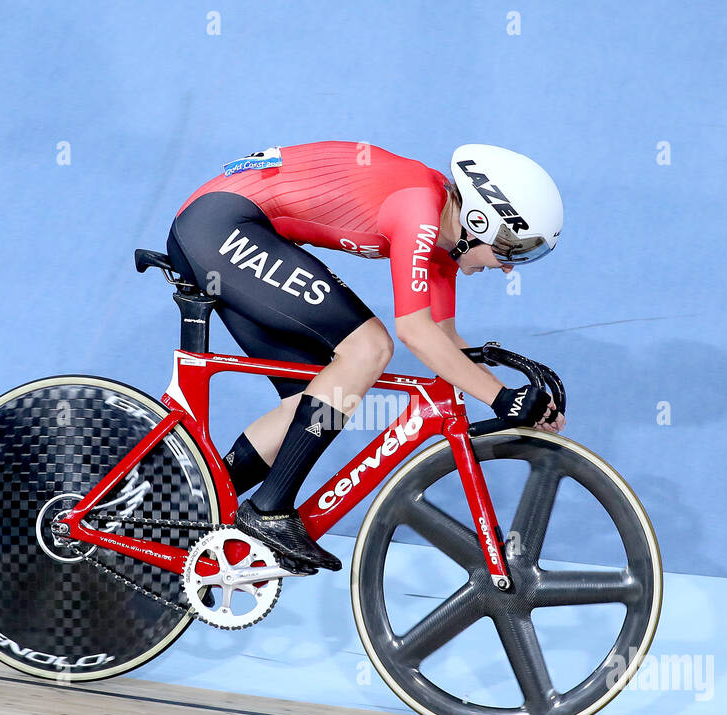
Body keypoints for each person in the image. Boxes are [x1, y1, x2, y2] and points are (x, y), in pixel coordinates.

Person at [165, 141, 565, 573]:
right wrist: (503, 398)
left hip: (221, 225)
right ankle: (268, 511)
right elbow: (413, 332)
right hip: (220, 223)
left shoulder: (443, 242)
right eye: (510, 250)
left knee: (312, 397)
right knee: (368, 346)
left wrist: (514, 400)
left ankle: (191, 511)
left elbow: (443, 340)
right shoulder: (419, 208)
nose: (509, 268)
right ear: (478, 219)